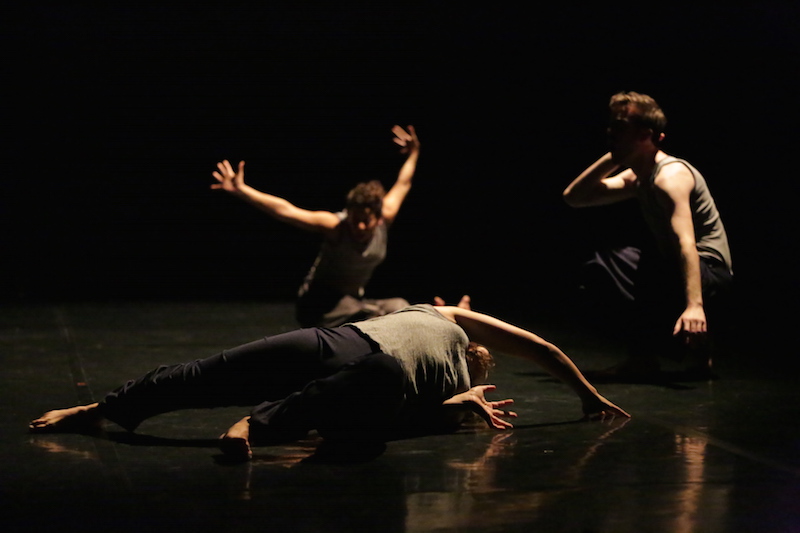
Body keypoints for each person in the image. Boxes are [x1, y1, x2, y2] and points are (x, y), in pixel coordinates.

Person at [29, 304, 629, 461]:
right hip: (339, 341)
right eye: (480, 358)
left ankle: (258, 423)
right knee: (207, 371)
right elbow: (542, 346)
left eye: (478, 366)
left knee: (382, 374)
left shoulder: (450, 392)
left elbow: (405, 419)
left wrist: (463, 400)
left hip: (371, 375)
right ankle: (101, 407)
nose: (479, 359)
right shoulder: (444, 316)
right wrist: (589, 395)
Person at [563, 91, 733, 380]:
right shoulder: (640, 175)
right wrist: (616, 155)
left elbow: (686, 243)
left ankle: (695, 349)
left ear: (646, 135)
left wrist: (694, 306)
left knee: (646, 260)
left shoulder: (669, 177)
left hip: (708, 270)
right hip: (674, 263)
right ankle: (643, 358)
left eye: (619, 127)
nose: (610, 132)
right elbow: (575, 197)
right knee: (610, 262)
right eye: (611, 126)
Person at [212, 125, 420, 328]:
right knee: (370, 316)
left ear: (379, 219)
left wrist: (413, 153)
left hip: (353, 301)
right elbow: (286, 211)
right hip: (319, 302)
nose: (360, 226)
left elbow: (403, 183)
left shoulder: (387, 214)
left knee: (400, 307)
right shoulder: (336, 226)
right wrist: (243, 191)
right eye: (354, 219)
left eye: (366, 221)